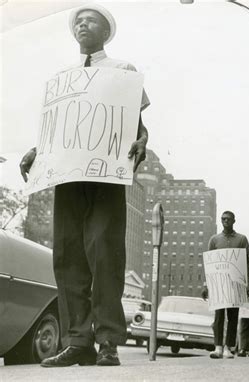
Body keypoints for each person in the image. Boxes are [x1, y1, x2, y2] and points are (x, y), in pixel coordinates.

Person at [20, 4, 150, 367]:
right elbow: (58, 130)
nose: (82, 24)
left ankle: (108, 340)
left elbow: (134, 124)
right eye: (78, 20)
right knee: (67, 255)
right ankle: (78, 340)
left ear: (105, 31)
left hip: (106, 174)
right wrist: (37, 152)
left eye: (90, 20)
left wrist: (143, 141)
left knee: (105, 253)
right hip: (67, 175)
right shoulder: (62, 78)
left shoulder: (122, 71)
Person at [207, 211, 249, 359]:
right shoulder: (214, 240)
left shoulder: (242, 239)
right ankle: (217, 346)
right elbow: (210, 264)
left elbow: (245, 264)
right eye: (223, 219)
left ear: (233, 221)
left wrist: (247, 284)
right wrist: (207, 285)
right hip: (218, 283)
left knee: (232, 316)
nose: (225, 221)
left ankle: (228, 347)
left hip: (235, 283)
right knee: (218, 316)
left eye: (228, 219)